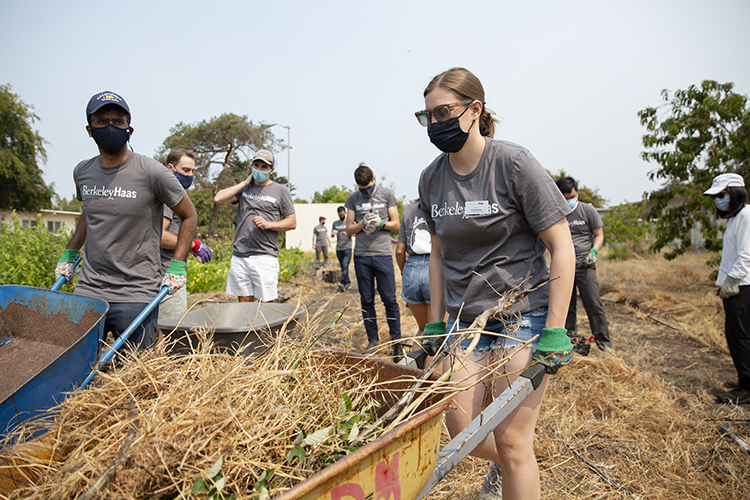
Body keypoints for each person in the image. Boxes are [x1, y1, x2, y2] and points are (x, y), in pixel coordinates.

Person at [416, 68, 575, 500]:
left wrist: (556, 329)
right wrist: (434, 323)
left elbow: (562, 246)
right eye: (427, 115)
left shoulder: (513, 163)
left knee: (512, 440)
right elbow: (436, 253)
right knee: (462, 434)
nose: (435, 123)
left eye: (443, 111)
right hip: (466, 324)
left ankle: (514, 467)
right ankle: (508, 469)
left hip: (521, 317)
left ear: (475, 109)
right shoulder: (431, 179)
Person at [54, 91, 197, 350]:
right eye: (101, 121)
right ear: (89, 129)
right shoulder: (83, 172)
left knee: (134, 374)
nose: (110, 127)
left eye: (118, 122)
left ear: (129, 130)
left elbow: (189, 215)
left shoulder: (152, 172)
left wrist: (177, 265)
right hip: (89, 291)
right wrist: (69, 251)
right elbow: (89, 211)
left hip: (136, 292)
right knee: (78, 366)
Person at [214, 149, 296, 303]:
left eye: (264, 167)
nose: (259, 170)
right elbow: (218, 199)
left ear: (271, 170)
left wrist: (269, 224)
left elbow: (292, 222)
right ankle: (248, 328)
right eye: (256, 165)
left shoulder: (280, 190)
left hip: (264, 255)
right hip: (240, 254)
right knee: (244, 303)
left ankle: (266, 328)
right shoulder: (244, 189)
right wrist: (244, 183)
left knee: (267, 304)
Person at [345, 163, 402, 359]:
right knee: (366, 300)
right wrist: (362, 223)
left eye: (369, 187)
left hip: (383, 254)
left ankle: (396, 342)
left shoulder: (387, 195)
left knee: (390, 300)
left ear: (374, 179)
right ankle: (373, 340)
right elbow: (349, 229)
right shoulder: (353, 199)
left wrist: (382, 224)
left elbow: (396, 223)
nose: (367, 192)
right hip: (362, 256)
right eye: (363, 189)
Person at [704, 173, 750, 405]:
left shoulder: (747, 216)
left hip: (742, 286)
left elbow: (745, 255)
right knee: (737, 334)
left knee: (739, 335)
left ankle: (747, 386)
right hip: (735, 284)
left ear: (735, 193)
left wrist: (732, 281)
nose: (718, 201)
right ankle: (745, 379)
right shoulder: (736, 218)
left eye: (722, 195)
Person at [158, 149, 214, 326]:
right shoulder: (169, 197)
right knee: (171, 329)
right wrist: (192, 244)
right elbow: (159, 235)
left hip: (163, 270)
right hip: (166, 272)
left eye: (192, 171)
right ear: (170, 168)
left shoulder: (171, 194)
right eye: (185, 170)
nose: (190, 175)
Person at [556, 176, 612, 351]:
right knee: (567, 306)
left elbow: (599, 234)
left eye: (571, 197)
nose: (569, 201)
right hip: (565, 266)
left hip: (585, 265)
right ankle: (570, 343)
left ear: (577, 192)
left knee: (593, 303)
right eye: (564, 198)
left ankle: (604, 344)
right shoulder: (557, 212)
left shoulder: (588, 210)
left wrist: (594, 251)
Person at [395, 200, 432, 338]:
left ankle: (414, 360)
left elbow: (399, 251)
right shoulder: (440, 205)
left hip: (411, 267)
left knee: (422, 329)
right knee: (435, 334)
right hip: (433, 266)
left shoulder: (409, 210)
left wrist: (403, 271)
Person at [331, 205, 352, 290]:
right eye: (340, 214)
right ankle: (348, 282)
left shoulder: (349, 222)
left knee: (345, 264)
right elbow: (332, 235)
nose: (342, 216)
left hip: (348, 247)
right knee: (342, 266)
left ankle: (343, 282)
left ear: (345, 213)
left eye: (343, 214)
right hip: (339, 248)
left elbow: (354, 234)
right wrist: (333, 233)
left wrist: (348, 232)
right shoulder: (335, 223)